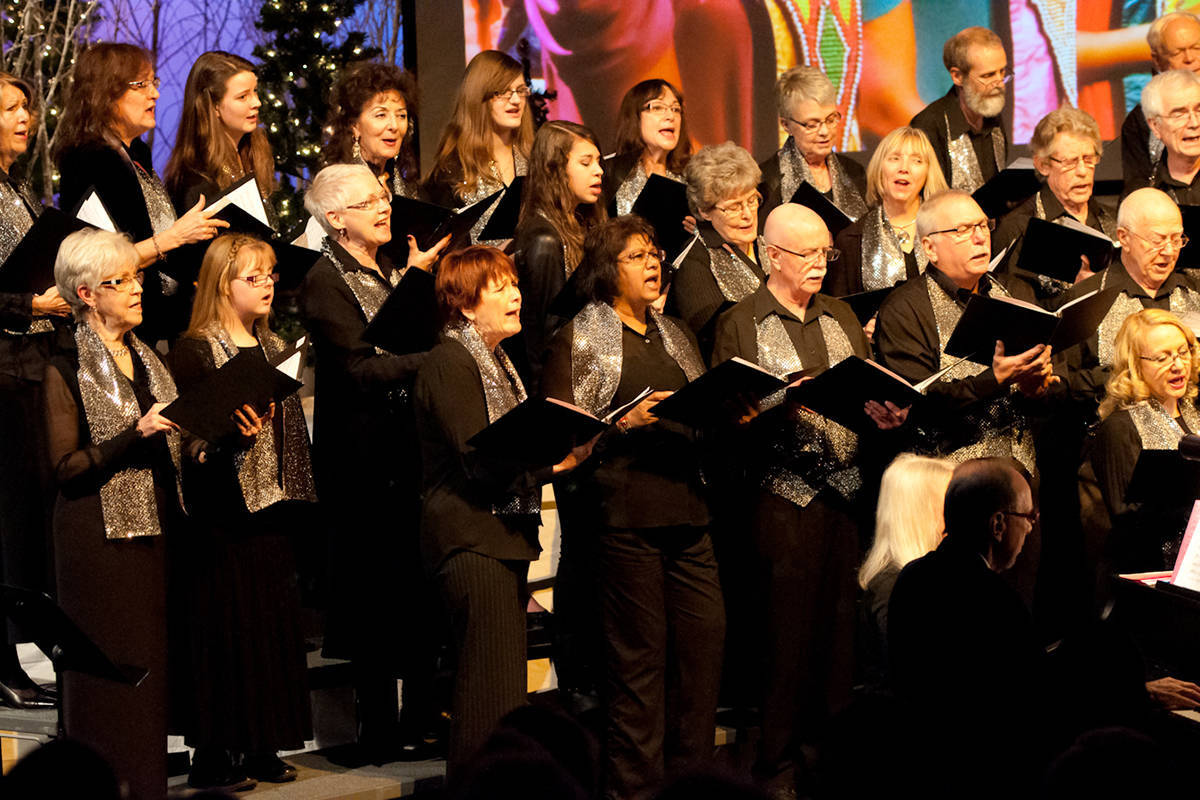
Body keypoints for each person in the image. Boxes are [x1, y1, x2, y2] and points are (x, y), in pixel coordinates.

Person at [710, 203, 906, 796]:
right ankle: (777, 766)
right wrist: (779, 404)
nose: (820, 263)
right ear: (772, 255)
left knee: (840, 640)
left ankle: (832, 761)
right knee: (785, 639)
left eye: (826, 252)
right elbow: (725, 414)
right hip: (780, 497)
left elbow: (863, 390)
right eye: (807, 253)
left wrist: (885, 413)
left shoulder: (842, 315)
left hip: (844, 496)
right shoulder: (741, 321)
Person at [542, 216, 721, 800]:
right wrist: (622, 426)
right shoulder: (580, 337)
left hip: (689, 512)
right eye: (637, 256)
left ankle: (692, 785)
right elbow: (564, 441)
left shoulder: (675, 332)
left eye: (657, 253)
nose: (653, 264)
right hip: (625, 519)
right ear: (606, 269)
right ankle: (636, 793)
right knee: (639, 670)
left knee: (701, 655)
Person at [413, 246, 594, 774]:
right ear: (467, 306)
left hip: (499, 535)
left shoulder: (495, 359)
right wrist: (555, 464)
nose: (516, 294)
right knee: (487, 692)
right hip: (471, 537)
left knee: (501, 688)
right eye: (499, 287)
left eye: (515, 282)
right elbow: (477, 458)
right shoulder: (450, 359)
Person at [299, 163, 444, 762]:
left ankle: (420, 720)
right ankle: (378, 728)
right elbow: (357, 368)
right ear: (335, 219)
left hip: (402, 451)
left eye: (383, 197)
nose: (385, 208)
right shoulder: (323, 279)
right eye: (369, 203)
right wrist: (436, 360)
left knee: (410, 590)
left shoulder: (383, 269)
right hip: (360, 463)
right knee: (372, 595)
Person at [169, 235, 315, 789]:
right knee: (225, 627)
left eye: (271, 274)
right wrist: (230, 435)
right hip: (219, 512)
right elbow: (191, 438)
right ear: (222, 285)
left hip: (271, 503)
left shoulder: (274, 343)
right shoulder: (195, 349)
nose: (267, 285)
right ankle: (213, 753)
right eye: (253, 277)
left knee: (267, 624)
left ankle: (260, 743)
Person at [44, 228, 183, 800]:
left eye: (137, 276)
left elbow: (176, 439)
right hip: (94, 539)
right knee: (106, 673)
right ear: (85, 295)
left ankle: (146, 786)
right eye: (118, 281)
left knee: (145, 674)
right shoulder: (63, 365)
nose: (134, 288)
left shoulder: (148, 357)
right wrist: (137, 431)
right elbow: (67, 468)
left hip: (149, 529)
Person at [887, 458, 1046, 797]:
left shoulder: (912, 577)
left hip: (914, 762)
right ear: (998, 523)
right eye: (1028, 516)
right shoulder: (997, 602)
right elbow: (1033, 699)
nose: (1032, 527)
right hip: (977, 774)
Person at [53, 43, 229, 342]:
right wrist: (176, 236)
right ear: (106, 94)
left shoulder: (137, 152)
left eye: (153, 82)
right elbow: (100, 264)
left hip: (166, 318)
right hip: (123, 328)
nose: (155, 93)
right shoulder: (87, 159)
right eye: (141, 84)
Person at [874, 190, 1054, 473]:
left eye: (983, 225)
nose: (981, 237)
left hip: (1020, 470)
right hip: (944, 479)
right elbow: (919, 405)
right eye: (962, 230)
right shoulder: (905, 308)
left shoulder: (1015, 292)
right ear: (930, 248)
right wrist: (993, 379)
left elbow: (1044, 398)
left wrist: (1035, 388)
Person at [0, 71, 68, 709]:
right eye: (11, 108)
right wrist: (30, 302)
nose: (25, 117)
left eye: (26, 107)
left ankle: (37, 646)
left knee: (26, 516)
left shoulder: (14, 186)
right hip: (5, 370)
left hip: (31, 363)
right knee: (9, 521)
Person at [1061, 188, 1200, 407]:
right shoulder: (1085, 299)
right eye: (1157, 240)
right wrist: (1132, 373)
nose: (1169, 251)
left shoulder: (1194, 292)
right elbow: (1063, 384)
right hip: (1112, 430)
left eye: (1176, 239)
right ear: (1123, 238)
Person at [1092, 309, 1200, 573]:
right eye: (1162, 357)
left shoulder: (1194, 414)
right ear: (1135, 366)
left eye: (1182, 352)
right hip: (1152, 571)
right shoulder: (1119, 428)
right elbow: (1126, 518)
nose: (1177, 365)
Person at [511, 120, 606, 389]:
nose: (599, 171)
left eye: (598, 161)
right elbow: (544, 335)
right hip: (562, 383)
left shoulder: (582, 224)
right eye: (586, 163)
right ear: (555, 169)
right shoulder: (544, 238)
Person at [992, 107, 1117, 301]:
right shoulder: (1019, 229)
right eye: (1070, 162)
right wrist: (1082, 289)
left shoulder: (1111, 219)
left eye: (1088, 159)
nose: (1083, 171)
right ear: (1043, 165)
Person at [856, 453, 954, 693]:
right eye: (952, 500)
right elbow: (913, 670)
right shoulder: (892, 585)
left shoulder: (930, 576)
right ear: (923, 511)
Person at [669, 141, 767, 361]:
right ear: (704, 211)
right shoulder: (695, 259)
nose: (748, 215)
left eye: (752, 200)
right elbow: (715, 339)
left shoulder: (768, 243)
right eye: (733, 207)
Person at [424, 50, 533, 242]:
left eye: (520, 90)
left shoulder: (535, 161)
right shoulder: (452, 172)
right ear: (478, 97)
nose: (515, 100)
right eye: (502, 92)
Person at [828, 126, 948, 298]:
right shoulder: (852, 240)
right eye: (895, 158)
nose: (904, 168)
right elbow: (840, 311)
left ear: (928, 172)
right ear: (880, 167)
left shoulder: (948, 230)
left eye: (917, 161)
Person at [164, 51, 276, 214]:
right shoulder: (196, 179)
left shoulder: (250, 155)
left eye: (255, 91)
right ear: (214, 106)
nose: (257, 102)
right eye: (243, 97)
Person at [759, 65, 866, 223]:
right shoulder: (768, 181)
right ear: (786, 125)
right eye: (811, 124)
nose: (824, 131)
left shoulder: (854, 173)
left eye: (830, 120)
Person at [910, 27, 1010, 194]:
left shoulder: (992, 113)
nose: (999, 84)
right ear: (957, 76)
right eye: (988, 76)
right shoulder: (927, 126)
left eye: (1002, 72)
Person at [1122, 12, 1200, 190]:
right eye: (1177, 52)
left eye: (1197, 48)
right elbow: (1137, 188)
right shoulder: (1139, 120)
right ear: (1157, 60)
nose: (1190, 58)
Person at [325, 61, 421, 198]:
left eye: (401, 115)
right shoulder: (337, 190)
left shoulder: (406, 187)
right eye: (381, 115)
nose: (394, 126)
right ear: (354, 125)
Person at [602, 79, 692, 217]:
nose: (670, 116)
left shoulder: (691, 177)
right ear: (635, 117)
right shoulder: (609, 172)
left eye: (676, 109)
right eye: (657, 107)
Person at [1139, 69, 1200, 204]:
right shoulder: (1144, 193)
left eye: (1199, 110)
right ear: (1155, 126)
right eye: (1179, 114)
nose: (1194, 123)